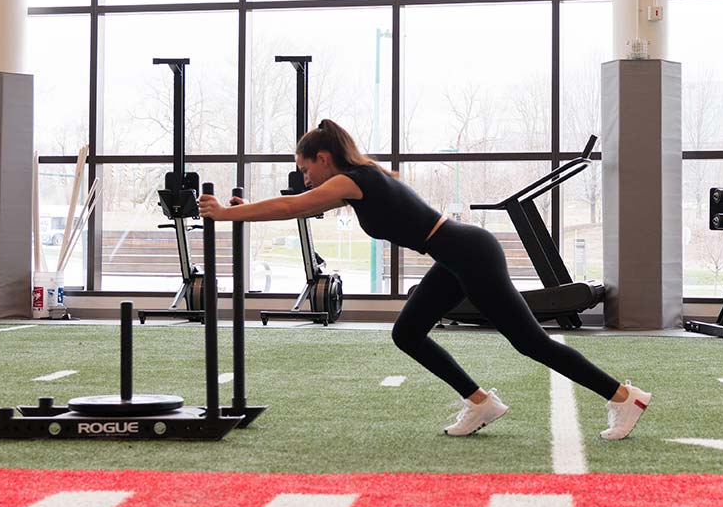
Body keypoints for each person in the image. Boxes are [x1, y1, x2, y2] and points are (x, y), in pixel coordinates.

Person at [197, 119, 653, 440]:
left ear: (322, 158)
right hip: (453, 254)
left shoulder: (350, 180)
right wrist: (237, 209)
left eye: (305, 168)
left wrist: (228, 214)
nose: (305, 177)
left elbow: (291, 207)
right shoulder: (361, 177)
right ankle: (480, 403)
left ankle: (624, 396)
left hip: (467, 253)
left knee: (530, 341)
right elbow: (299, 203)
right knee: (408, 332)